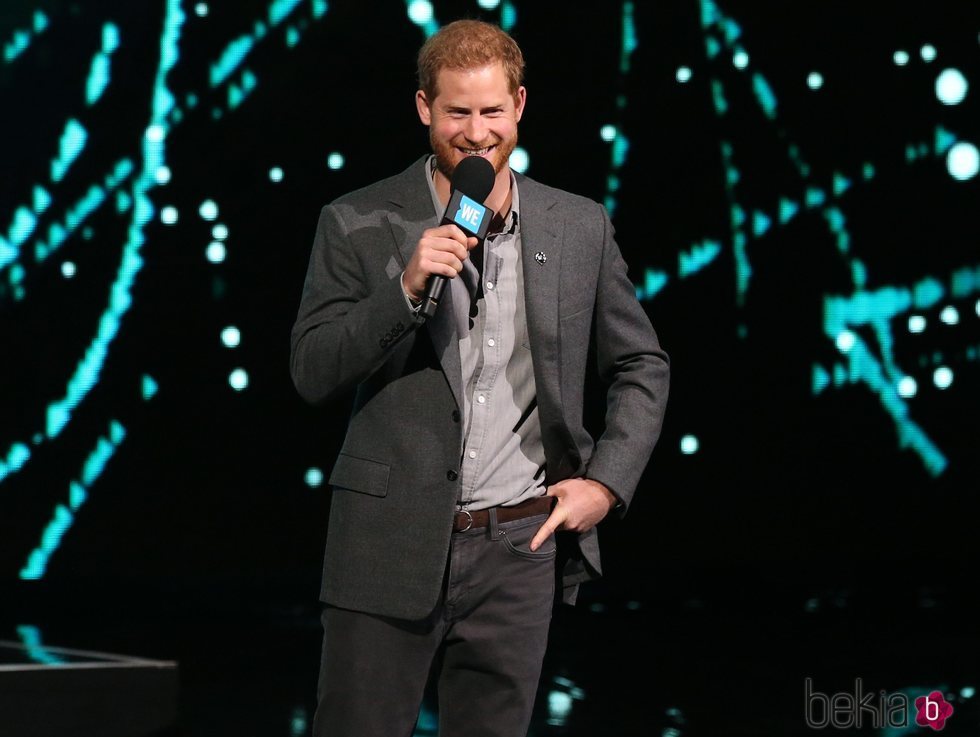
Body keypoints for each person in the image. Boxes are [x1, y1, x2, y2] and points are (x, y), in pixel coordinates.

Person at [290, 18, 669, 737]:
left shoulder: (577, 224)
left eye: (492, 110)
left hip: (519, 549)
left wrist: (606, 481)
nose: (475, 132)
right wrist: (402, 289)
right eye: (457, 111)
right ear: (424, 109)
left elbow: (640, 363)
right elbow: (312, 369)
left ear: (520, 105)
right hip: (387, 540)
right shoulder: (358, 221)